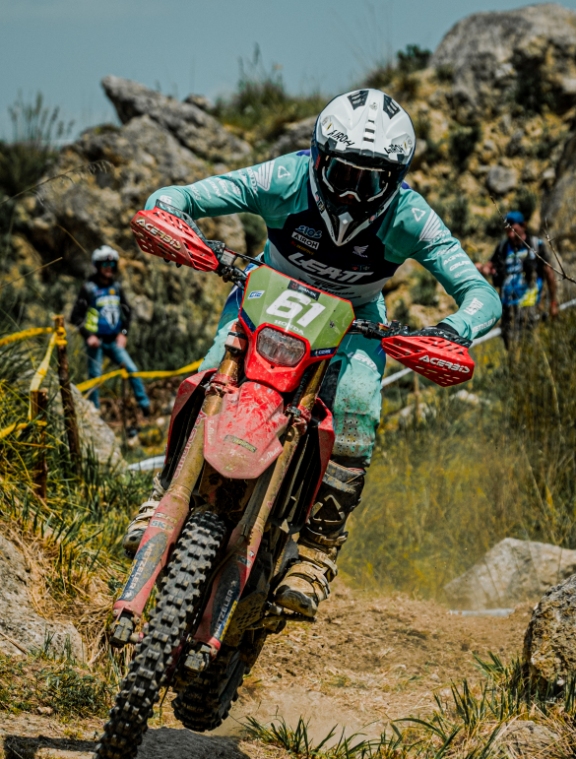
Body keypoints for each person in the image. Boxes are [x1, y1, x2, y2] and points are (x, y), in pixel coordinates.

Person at [123, 88, 501, 617]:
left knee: (358, 406)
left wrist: (453, 329)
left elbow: (482, 294)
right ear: (319, 158)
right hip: (263, 298)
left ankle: (318, 551)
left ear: (395, 180)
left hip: (355, 320)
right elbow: (182, 195)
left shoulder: (410, 216)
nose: (351, 192)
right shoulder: (284, 177)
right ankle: (164, 492)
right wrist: (171, 215)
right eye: (342, 173)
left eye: (370, 181)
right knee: (210, 376)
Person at [71, 245, 151, 417]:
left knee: (132, 369)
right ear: (97, 266)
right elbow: (75, 317)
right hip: (96, 342)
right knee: (95, 377)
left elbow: (127, 311)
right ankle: (94, 413)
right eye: (105, 265)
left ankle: (145, 406)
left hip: (114, 340)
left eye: (112, 264)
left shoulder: (116, 287)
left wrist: (124, 333)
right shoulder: (89, 288)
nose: (109, 268)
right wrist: (88, 336)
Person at [476, 211, 558, 350]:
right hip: (507, 308)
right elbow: (489, 266)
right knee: (511, 348)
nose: (510, 235)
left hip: (530, 306)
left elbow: (549, 273)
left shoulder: (536, 245)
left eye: (514, 230)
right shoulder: (502, 247)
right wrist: (482, 269)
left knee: (530, 347)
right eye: (507, 231)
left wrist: (553, 303)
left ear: (523, 226)